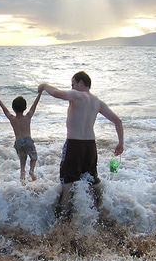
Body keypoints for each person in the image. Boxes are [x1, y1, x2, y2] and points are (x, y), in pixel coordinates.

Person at [38, 71, 124, 217]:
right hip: (90, 146)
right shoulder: (97, 102)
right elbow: (118, 121)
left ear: (81, 83)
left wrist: (44, 85)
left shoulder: (77, 95)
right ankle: (98, 214)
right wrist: (120, 143)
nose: (71, 87)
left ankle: (64, 219)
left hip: (74, 145)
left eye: (73, 84)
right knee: (91, 181)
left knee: (68, 183)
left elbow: (56, 93)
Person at [0, 90, 42, 183]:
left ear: (13, 108)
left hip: (18, 142)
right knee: (33, 157)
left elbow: (4, 109)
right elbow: (34, 106)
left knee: (22, 159)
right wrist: (40, 94)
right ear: (25, 107)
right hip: (28, 140)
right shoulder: (27, 117)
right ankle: (31, 171)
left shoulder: (12, 119)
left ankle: (22, 172)